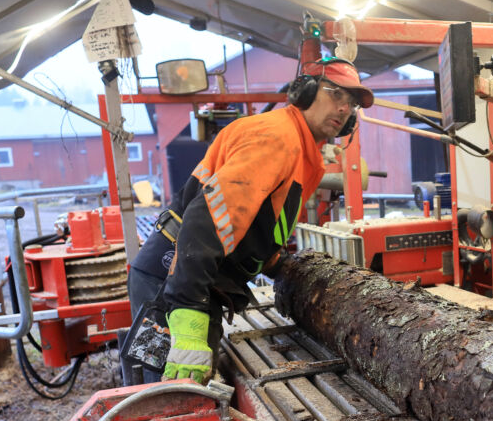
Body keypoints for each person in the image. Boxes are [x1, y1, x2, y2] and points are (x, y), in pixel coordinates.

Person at [124, 57, 374, 384]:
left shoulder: (301, 150)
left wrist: (275, 263)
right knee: (171, 399)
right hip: (174, 280)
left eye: (351, 104)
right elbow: (206, 220)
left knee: (187, 394)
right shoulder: (278, 137)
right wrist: (188, 324)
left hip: (192, 277)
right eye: (336, 95)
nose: (344, 109)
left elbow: (257, 220)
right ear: (306, 92)